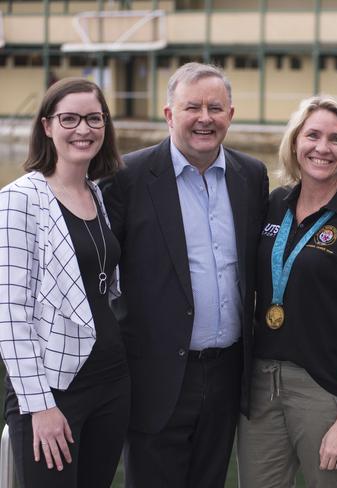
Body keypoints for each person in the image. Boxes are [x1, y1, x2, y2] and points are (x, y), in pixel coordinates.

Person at [101, 63, 269, 488]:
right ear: (169, 114)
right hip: (153, 378)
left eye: (215, 107)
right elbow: (97, 274)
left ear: (231, 114)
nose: (204, 118)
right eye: (191, 107)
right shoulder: (127, 177)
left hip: (228, 373)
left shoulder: (251, 176)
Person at [237, 95, 337, 487]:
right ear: (295, 142)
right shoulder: (273, 205)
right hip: (260, 386)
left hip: (325, 391)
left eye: (335, 139)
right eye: (312, 135)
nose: (322, 148)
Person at [0, 78, 129, 488]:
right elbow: (10, 312)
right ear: (47, 126)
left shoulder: (96, 193)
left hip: (111, 382)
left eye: (94, 118)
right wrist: (40, 406)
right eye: (69, 118)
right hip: (54, 387)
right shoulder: (18, 200)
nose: (83, 129)